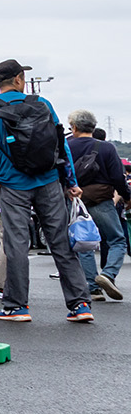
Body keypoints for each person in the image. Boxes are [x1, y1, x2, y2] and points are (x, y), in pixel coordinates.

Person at [0, 60, 91, 324]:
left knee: (16, 244)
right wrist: (70, 181)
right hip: (48, 180)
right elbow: (62, 144)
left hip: (12, 183)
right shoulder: (43, 103)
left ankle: (16, 306)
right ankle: (80, 303)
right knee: (61, 241)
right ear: (18, 79)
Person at [68, 114, 128, 301]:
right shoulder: (106, 147)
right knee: (117, 240)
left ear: (74, 128)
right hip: (102, 200)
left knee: (84, 243)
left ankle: (93, 288)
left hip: (75, 200)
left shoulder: (66, 147)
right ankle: (108, 274)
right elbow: (118, 177)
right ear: (93, 128)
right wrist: (126, 196)